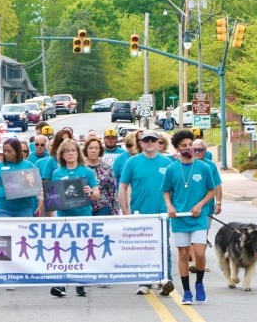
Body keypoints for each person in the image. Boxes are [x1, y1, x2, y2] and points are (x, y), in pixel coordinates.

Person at [162, 130, 215, 305]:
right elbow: (166, 191)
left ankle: (199, 284)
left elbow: (212, 190)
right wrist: (169, 206)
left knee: (199, 253)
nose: (188, 148)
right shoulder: (171, 169)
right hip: (179, 218)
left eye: (190, 145)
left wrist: (201, 204)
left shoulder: (204, 167)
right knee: (183, 254)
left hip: (198, 217)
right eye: (184, 146)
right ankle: (186, 292)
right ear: (177, 148)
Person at [119, 130, 174, 296]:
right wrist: (125, 210)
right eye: (146, 140)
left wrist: (173, 207)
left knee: (164, 247)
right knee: (144, 248)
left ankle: (166, 279)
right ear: (141, 143)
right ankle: (145, 282)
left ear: (158, 143)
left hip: (162, 213)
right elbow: (122, 187)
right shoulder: (132, 162)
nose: (149, 142)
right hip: (140, 212)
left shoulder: (168, 162)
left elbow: (175, 188)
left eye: (153, 140)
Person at [49, 139, 99, 298]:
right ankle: (61, 284)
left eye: (73, 150)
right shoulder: (57, 173)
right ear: (61, 155)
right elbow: (53, 197)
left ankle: (80, 283)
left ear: (78, 152)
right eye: (66, 151)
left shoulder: (87, 171)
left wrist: (90, 191)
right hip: (64, 217)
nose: (70, 153)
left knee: (82, 249)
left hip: (83, 215)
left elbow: (97, 195)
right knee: (63, 250)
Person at [191, 139, 222, 273]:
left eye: (200, 150)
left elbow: (217, 185)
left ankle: (199, 261)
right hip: (188, 206)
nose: (197, 152)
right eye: (195, 149)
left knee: (203, 232)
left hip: (207, 206)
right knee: (190, 232)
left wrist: (218, 202)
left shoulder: (210, 166)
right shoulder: (186, 163)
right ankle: (195, 261)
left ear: (205, 151)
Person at [83, 137, 119, 216]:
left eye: (96, 148)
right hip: (83, 206)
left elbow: (112, 191)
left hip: (103, 205)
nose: (93, 151)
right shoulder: (79, 167)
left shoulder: (107, 168)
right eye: (90, 148)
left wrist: (115, 211)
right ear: (86, 149)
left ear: (100, 150)